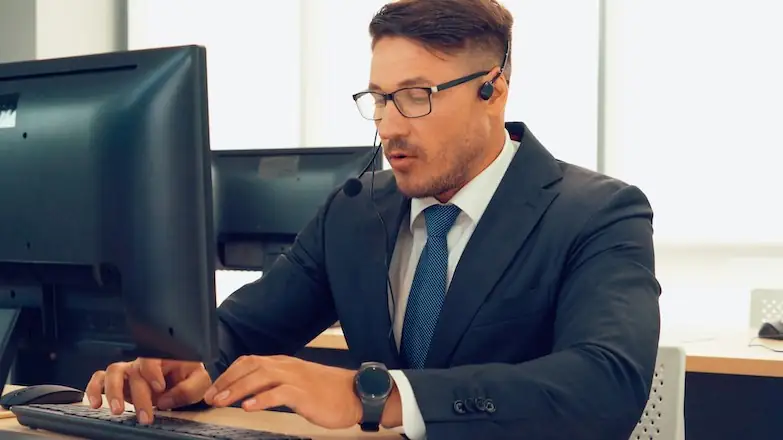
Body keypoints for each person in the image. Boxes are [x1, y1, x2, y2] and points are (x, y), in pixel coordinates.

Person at [86, 0, 661, 438]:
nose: (388, 126)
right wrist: (188, 369)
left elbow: (605, 384)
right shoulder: (355, 211)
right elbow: (243, 330)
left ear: (494, 90)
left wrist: (379, 395)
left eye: (416, 96)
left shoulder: (598, 212)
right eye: (380, 98)